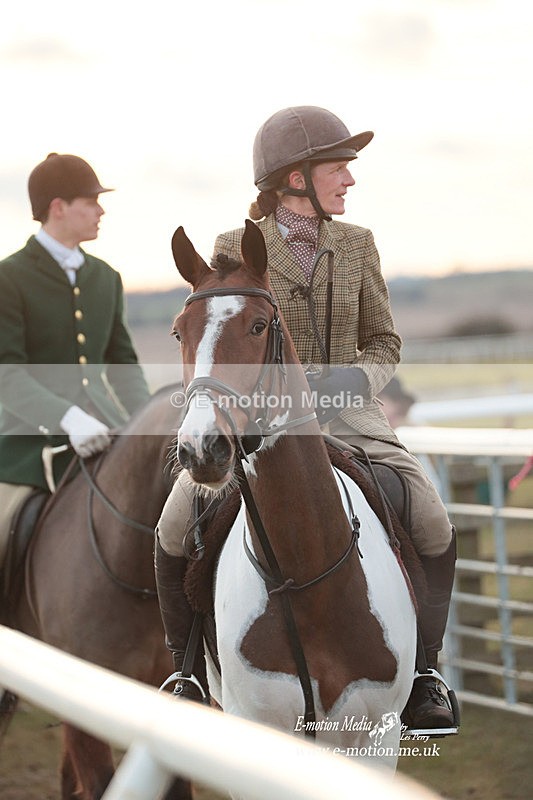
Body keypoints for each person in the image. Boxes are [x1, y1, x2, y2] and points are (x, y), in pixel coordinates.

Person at [155, 107, 456, 731]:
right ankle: (185, 670)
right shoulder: (235, 249)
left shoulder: (358, 245)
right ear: (296, 177)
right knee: (174, 523)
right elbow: (228, 340)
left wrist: (355, 381)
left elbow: (384, 343)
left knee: (431, 518)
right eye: (337, 167)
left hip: (352, 418)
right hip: (263, 422)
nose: (349, 179)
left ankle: (425, 673)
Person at [0, 153, 150, 577]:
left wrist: (144, 423)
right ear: (58, 208)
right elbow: (6, 373)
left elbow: (122, 362)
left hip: (108, 434)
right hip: (28, 448)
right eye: (91, 201)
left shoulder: (107, 277)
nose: (101, 210)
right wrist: (68, 417)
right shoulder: (8, 278)